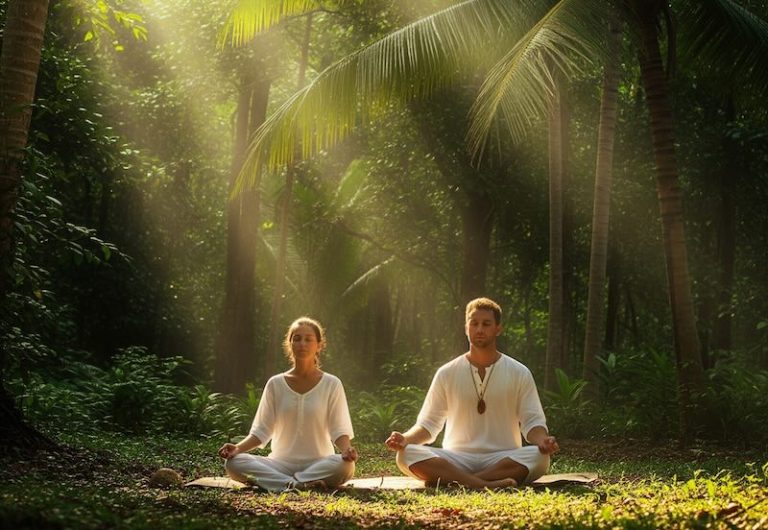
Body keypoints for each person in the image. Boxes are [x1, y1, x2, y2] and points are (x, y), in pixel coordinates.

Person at [385, 297, 558, 489]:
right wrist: (405, 439)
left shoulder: (519, 372)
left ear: (498, 328)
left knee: (539, 457)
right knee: (406, 454)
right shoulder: (447, 372)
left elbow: (532, 422)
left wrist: (543, 441)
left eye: (486, 324)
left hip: (503, 456)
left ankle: (459, 480)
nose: (480, 329)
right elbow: (429, 425)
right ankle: (485, 483)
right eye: (474, 323)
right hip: (457, 458)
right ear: (466, 327)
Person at [218, 317, 357, 491]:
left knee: (345, 466)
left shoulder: (332, 383)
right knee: (234, 463)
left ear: (319, 345)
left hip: (319, 464)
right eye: (297, 338)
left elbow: (339, 430)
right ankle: (296, 485)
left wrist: (346, 451)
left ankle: (284, 484)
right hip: (279, 464)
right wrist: (237, 448)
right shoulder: (275, 384)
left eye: (308, 339)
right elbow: (261, 432)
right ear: (289, 344)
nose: (302, 344)